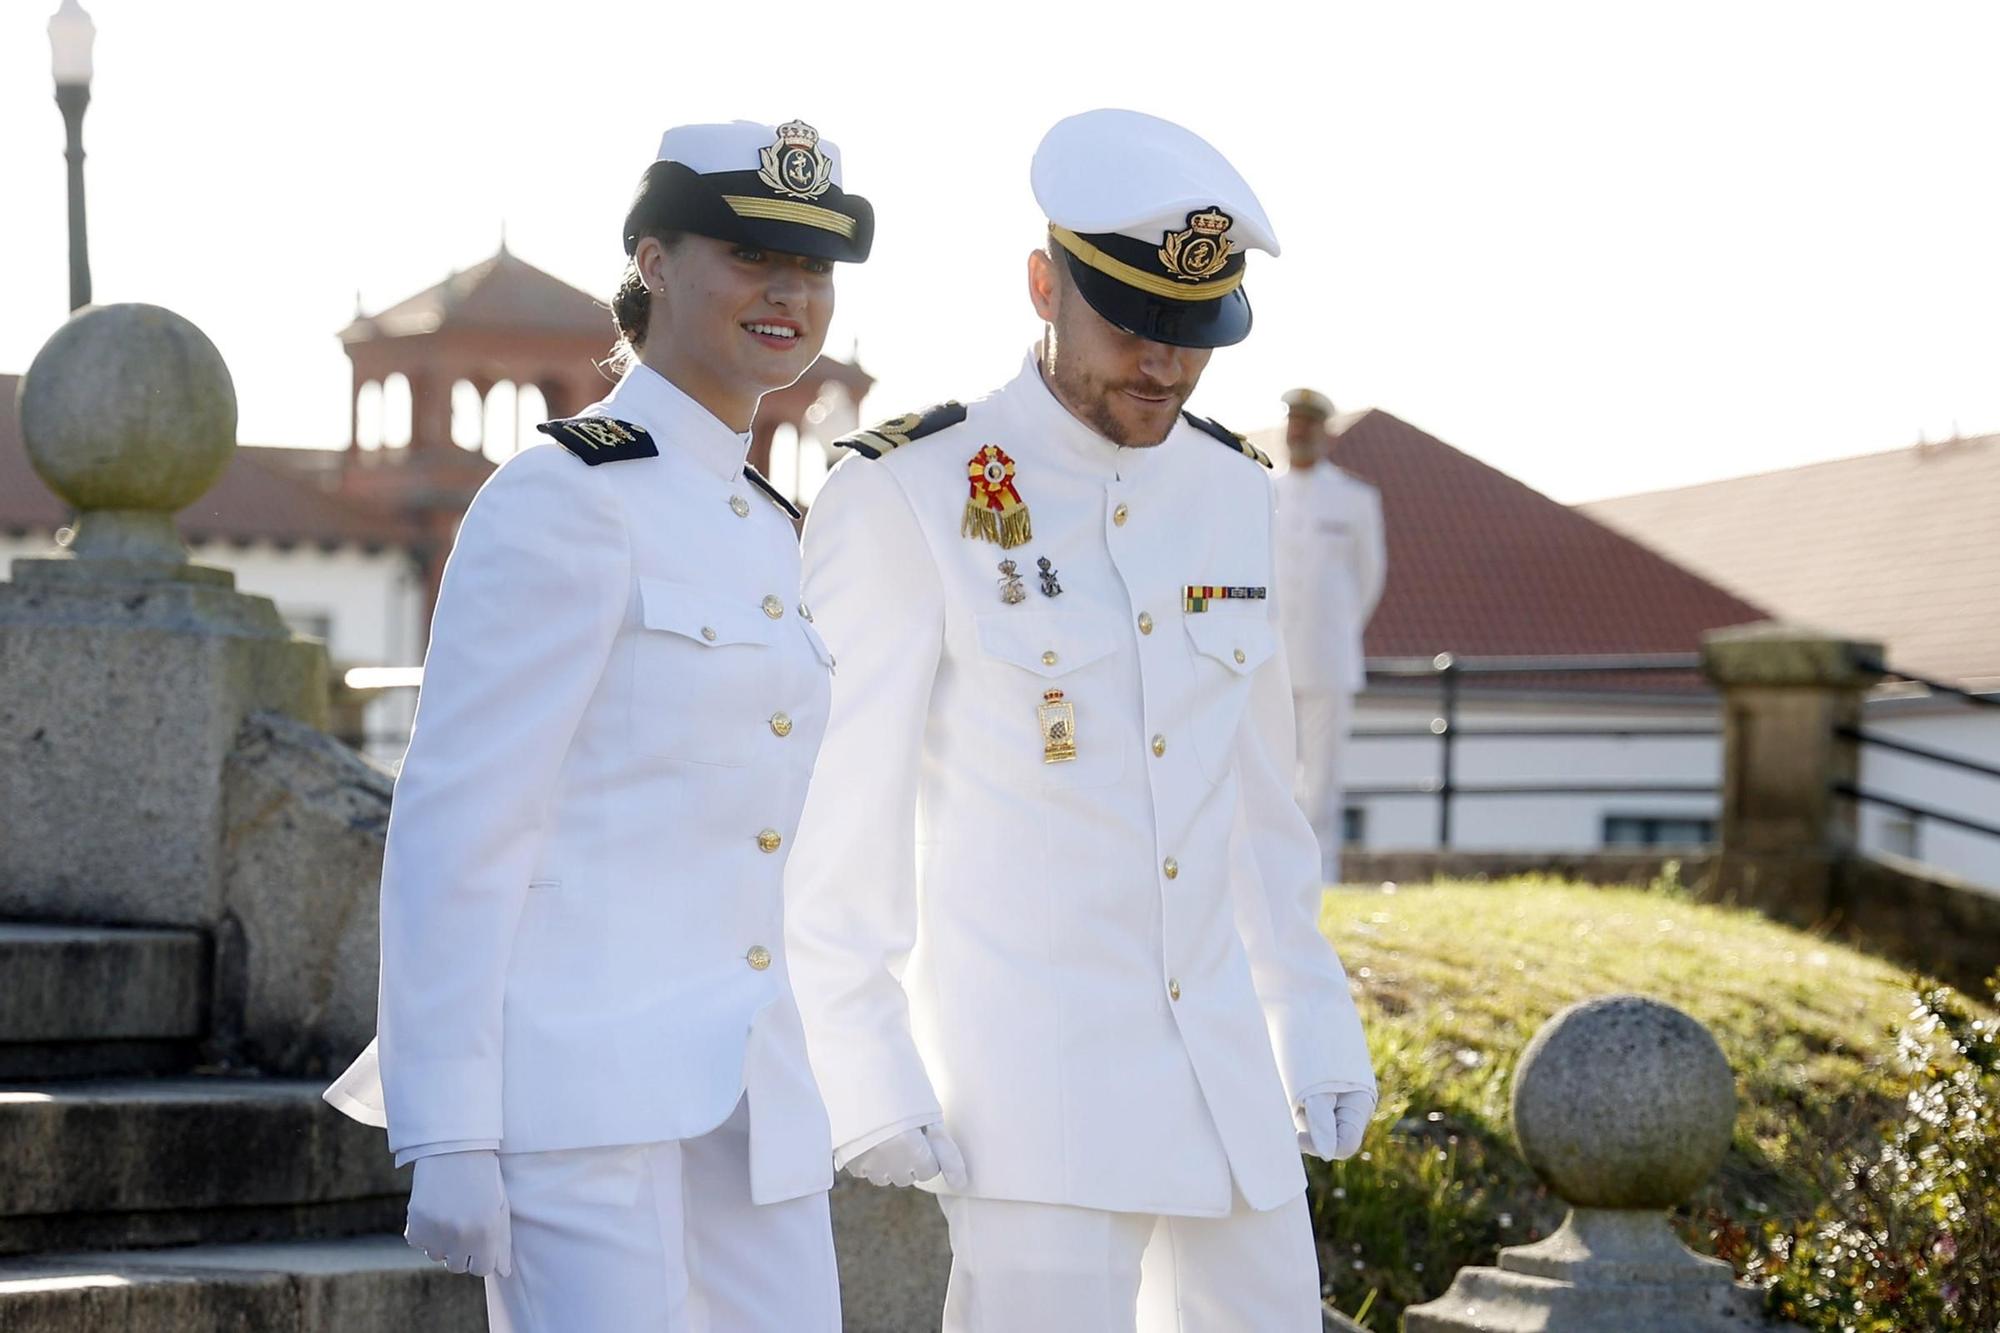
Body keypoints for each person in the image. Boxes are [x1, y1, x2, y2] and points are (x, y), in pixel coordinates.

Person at [784, 108, 1377, 1333]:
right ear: (1044, 284)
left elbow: (1263, 808)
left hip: (1225, 1082)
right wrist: (861, 1060)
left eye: (1193, 333)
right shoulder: (908, 491)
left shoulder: (1230, 490)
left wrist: (1310, 1021)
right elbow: (837, 817)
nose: (1162, 364)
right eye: (1130, 325)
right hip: (1034, 1098)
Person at [321, 119, 873, 1332]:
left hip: (750, 1098)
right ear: (653, 260)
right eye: (747, 255)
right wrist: (452, 1122)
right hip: (582, 1106)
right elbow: (462, 824)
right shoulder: (561, 500)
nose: (787, 293)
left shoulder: (763, 522)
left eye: (814, 268)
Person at [1276, 387, 1386, 882]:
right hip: (1270, 658)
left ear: (1325, 433)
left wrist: (1337, 630)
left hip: (1329, 655)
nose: (1298, 433)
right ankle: (1275, 874)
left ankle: (1321, 878)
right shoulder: (1264, 491)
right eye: (1293, 423)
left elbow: (1369, 578)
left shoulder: (1354, 498)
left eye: (1307, 425)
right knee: (1273, 772)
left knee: (1322, 779)